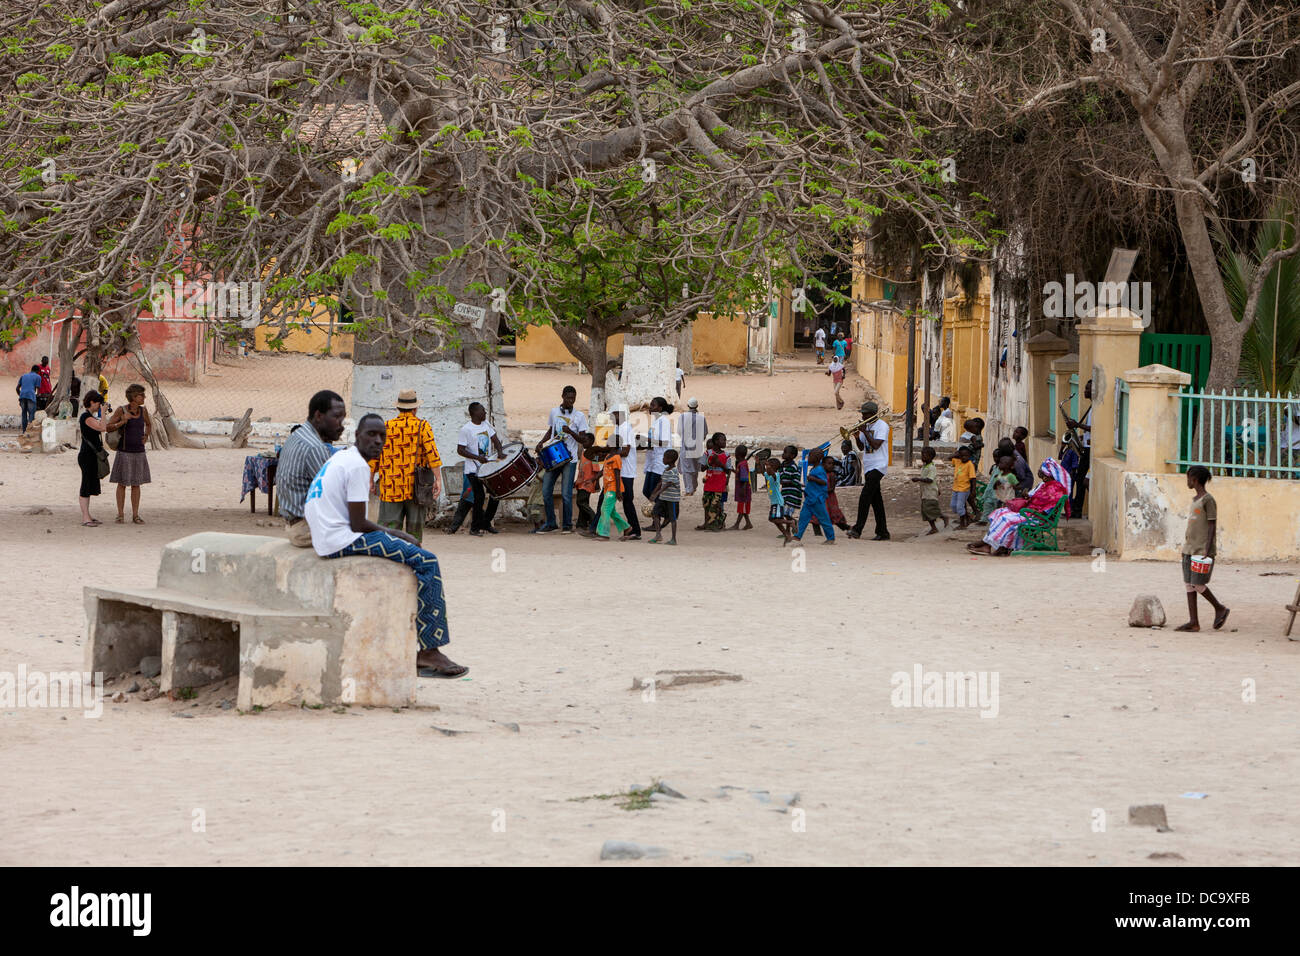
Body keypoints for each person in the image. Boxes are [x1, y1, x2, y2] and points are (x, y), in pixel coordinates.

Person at [305, 413, 465, 677]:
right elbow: (359, 524)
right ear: (357, 435)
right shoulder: (358, 466)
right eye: (371, 435)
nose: (378, 441)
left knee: (412, 549)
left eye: (382, 436)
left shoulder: (343, 456)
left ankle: (428, 650)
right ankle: (429, 652)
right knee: (426, 561)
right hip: (341, 539)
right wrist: (400, 536)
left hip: (327, 536)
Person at [278, 389, 347, 548]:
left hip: (294, 524)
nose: (341, 425)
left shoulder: (298, 435)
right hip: (306, 529)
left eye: (342, 419)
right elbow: (332, 496)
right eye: (336, 418)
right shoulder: (315, 447)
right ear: (319, 416)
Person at [373, 389, 442, 545]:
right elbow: (432, 454)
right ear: (415, 408)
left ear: (398, 407)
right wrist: (438, 479)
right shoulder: (422, 426)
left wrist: (370, 479)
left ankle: (389, 558)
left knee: (388, 530)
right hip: (416, 488)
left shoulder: (386, 427)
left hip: (390, 487)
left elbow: (375, 456)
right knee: (414, 532)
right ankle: (412, 557)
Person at [966, 458, 1071, 556]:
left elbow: (1046, 510)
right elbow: (1034, 498)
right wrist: (1027, 498)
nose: (1040, 474)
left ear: (1047, 474)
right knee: (1000, 512)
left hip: (1038, 518)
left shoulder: (1055, 490)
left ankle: (987, 544)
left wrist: (1031, 509)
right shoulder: (1044, 485)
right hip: (1030, 513)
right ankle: (992, 544)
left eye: (1042, 472)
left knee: (1006, 519)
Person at [1176, 465, 1229, 631]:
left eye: (1188, 478)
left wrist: (1208, 549)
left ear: (1195, 479)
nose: (1187, 482)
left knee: (1198, 584)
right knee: (1188, 584)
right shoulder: (1195, 500)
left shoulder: (1208, 500)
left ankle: (1219, 608)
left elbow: (1212, 524)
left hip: (1201, 550)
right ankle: (1194, 622)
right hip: (1189, 548)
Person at [533, 385, 588, 534]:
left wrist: (571, 432)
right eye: (568, 398)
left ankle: (567, 525)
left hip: (569, 459)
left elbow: (583, 439)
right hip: (553, 456)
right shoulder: (554, 412)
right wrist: (541, 442)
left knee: (566, 494)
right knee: (546, 491)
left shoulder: (579, 416)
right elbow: (551, 430)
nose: (571, 401)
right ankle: (551, 523)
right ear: (562, 397)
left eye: (573, 398)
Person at [453, 401, 505, 536]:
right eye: (482, 410)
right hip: (473, 469)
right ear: (474, 413)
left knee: (496, 494)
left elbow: (496, 440)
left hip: (487, 468)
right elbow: (460, 450)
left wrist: (499, 451)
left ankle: (486, 522)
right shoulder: (466, 429)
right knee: (479, 497)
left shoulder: (486, 425)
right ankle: (475, 528)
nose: (485, 412)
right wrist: (477, 457)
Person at [105, 383, 153, 524]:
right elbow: (108, 427)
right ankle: (120, 514)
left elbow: (149, 424)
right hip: (124, 452)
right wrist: (122, 421)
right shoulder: (121, 410)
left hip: (139, 452)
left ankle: (135, 515)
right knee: (122, 484)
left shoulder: (143, 411)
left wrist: (146, 436)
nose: (144, 397)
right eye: (141, 395)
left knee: (136, 484)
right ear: (133, 396)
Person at [848, 402, 890, 540]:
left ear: (872, 415)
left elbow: (876, 445)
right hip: (869, 465)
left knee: (865, 496)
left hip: (879, 465)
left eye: (865, 414)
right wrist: (856, 436)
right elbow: (862, 447)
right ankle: (883, 532)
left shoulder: (882, 426)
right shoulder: (867, 426)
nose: (863, 416)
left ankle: (857, 529)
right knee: (876, 500)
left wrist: (865, 431)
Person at [76, 390, 118, 526]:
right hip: (87, 455)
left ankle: (87, 515)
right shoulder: (85, 417)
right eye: (98, 403)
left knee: (89, 484)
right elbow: (102, 428)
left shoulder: (90, 417)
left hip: (91, 455)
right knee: (86, 485)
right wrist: (104, 412)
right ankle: (85, 517)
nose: (99, 405)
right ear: (92, 402)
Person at [608, 404, 641, 539]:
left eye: (612, 415)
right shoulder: (617, 428)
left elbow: (625, 451)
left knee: (627, 501)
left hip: (626, 471)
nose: (611, 418)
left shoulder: (626, 428)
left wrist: (610, 455)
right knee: (607, 500)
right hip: (618, 469)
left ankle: (635, 531)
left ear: (618, 414)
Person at [791, 447, 835, 545]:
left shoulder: (819, 469)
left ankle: (831, 538)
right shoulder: (814, 469)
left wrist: (812, 479)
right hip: (810, 499)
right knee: (803, 517)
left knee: (824, 519)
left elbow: (824, 482)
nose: (808, 458)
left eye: (810, 456)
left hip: (816, 499)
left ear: (816, 457)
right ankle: (797, 536)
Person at [585, 445, 630, 540]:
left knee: (604, 509)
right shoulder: (608, 456)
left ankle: (604, 534)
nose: (606, 445)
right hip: (608, 488)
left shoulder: (616, 457)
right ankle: (626, 527)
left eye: (609, 444)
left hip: (613, 488)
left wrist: (618, 491)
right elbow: (603, 471)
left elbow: (617, 475)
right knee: (611, 511)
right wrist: (593, 479)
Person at [1064, 379, 1092, 518]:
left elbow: (1094, 428)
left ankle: (1077, 510)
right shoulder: (1092, 407)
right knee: (1079, 479)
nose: (1085, 391)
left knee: (1081, 480)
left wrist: (1077, 425)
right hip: (1086, 446)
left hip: (1090, 449)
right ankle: (1075, 508)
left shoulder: (1096, 409)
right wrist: (1081, 436)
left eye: (1088, 389)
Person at [642, 396, 674, 505]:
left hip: (661, 461)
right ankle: (660, 513)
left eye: (653, 405)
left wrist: (646, 439)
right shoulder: (655, 422)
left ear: (660, 409)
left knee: (653, 491)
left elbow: (664, 442)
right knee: (646, 490)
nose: (650, 407)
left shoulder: (663, 421)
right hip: (652, 460)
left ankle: (661, 514)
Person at [646, 449, 681, 544]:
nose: (663, 459)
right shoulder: (666, 469)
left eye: (664, 457)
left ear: (670, 459)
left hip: (672, 499)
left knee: (672, 518)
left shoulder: (673, 471)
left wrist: (657, 493)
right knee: (655, 513)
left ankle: (673, 539)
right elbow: (661, 482)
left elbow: (668, 484)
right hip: (663, 497)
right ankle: (658, 534)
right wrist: (654, 493)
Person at [676, 397, 709, 495]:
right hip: (697, 446)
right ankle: (693, 487)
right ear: (697, 406)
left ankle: (689, 489)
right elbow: (705, 432)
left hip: (686, 446)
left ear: (688, 405)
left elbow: (679, 431)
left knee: (687, 468)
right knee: (695, 467)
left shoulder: (682, 416)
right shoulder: (701, 418)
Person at [912, 446, 948, 534]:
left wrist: (918, 479)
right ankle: (933, 528)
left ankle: (943, 517)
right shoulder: (925, 466)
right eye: (922, 455)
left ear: (931, 456)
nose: (922, 457)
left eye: (925, 455)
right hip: (925, 492)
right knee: (925, 510)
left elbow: (930, 480)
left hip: (930, 492)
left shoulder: (931, 467)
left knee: (931, 508)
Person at [699, 433, 731, 531]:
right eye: (723, 440)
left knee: (716, 504)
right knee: (706, 504)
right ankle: (707, 523)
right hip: (709, 483)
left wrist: (720, 464)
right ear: (716, 441)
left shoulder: (726, 455)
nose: (725, 442)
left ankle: (717, 524)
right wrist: (710, 463)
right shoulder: (707, 453)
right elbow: (702, 468)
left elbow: (728, 470)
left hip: (719, 484)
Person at [573, 431, 600, 530]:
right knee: (583, 502)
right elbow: (581, 469)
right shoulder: (584, 453)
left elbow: (597, 470)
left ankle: (594, 519)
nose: (584, 443)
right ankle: (581, 523)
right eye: (583, 441)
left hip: (588, 483)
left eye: (586, 441)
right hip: (581, 483)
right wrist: (576, 481)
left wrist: (596, 483)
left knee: (581, 502)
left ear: (592, 442)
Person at [950, 446, 976, 529]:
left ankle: (962, 524)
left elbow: (973, 479)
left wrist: (973, 491)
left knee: (960, 506)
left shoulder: (970, 464)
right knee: (953, 506)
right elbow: (949, 458)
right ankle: (967, 517)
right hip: (955, 488)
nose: (964, 457)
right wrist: (956, 454)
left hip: (964, 489)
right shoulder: (957, 461)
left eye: (966, 456)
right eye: (962, 456)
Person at [729, 444, 753, 530]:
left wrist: (743, 489)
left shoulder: (742, 464)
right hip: (743, 489)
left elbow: (745, 478)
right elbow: (742, 475)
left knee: (742, 508)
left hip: (743, 490)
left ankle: (737, 524)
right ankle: (748, 523)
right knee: (743, 508)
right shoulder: (743, 464)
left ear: (737, 454)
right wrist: (734, 471)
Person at [16, 364, 41, 433]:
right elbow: (38, 391)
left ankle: (24, 431)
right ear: (38, 371)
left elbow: (17, 388)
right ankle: (29, 432)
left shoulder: (23, 376)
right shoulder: (38, 377)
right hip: (31, 396)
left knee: (24, 414)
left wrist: (20, 395)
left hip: (22, 396)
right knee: (31, 414)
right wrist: (36, 397)